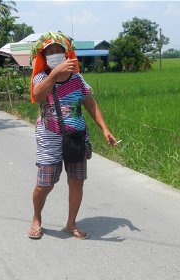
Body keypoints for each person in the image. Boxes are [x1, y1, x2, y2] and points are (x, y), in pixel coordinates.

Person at [28, 31, 117, 240]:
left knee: (77, 181)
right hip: (49, 136)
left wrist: (105, 128)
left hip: (76, 136)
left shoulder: (77, 78)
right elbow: (37, 95)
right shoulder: (42, 77)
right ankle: (36, 217)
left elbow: (90, 104)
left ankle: (71, 223)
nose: (55, 53)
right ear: (44, 56)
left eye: (59, 50)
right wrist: (54, 73)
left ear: (67, 53)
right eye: (50, 51)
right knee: (45, 183)